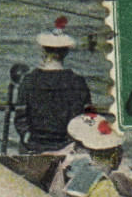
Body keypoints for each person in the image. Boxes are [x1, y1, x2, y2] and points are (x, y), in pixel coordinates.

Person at [12, 17, 92, 154]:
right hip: (68, 147)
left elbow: (20, 119)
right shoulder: (78, 81)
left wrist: (27, 137)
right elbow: (87, 118)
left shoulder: (29, 80)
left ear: (43, 51)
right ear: (66, 52)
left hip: (35, 146)